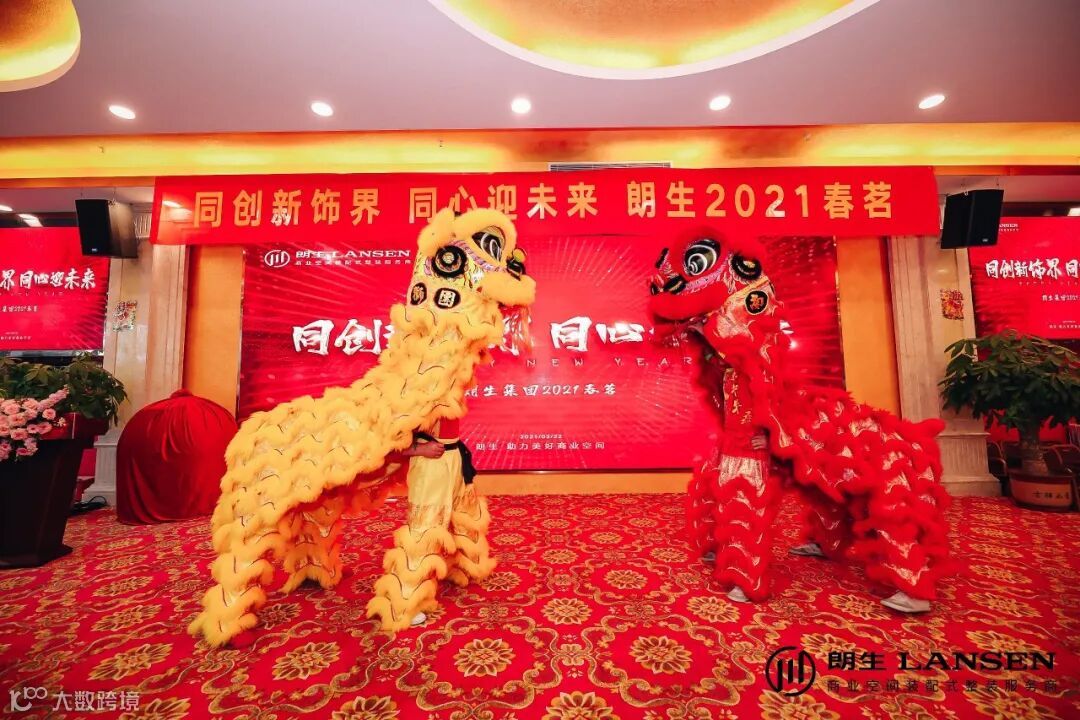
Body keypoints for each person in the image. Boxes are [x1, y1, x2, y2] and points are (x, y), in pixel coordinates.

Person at [368, 417, 496, 631]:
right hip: (430, 465)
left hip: (452, 458)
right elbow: (390, 432)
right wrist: (418, 449)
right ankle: (403, 603)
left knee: (460, 514)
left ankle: (456, 566)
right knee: (424, 527)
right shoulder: (417, 394)